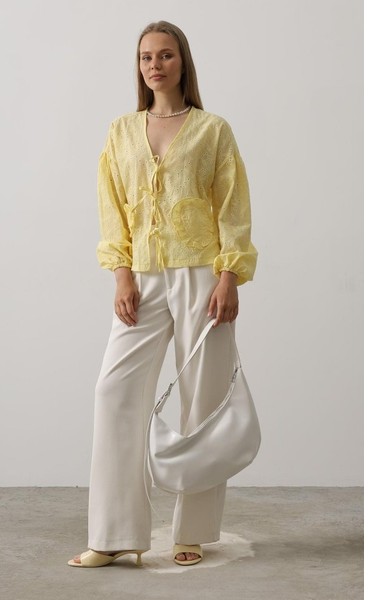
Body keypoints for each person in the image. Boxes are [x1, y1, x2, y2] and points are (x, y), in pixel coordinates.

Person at [68, 20, 258, 569]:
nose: (155, 65)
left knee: (203, 397)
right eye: (146, 57)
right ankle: (113, 535)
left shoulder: (212, 130)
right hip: (143, 277)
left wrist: (230, 276)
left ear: (183, 62)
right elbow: (111, 208)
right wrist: (121, 274)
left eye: (166, 55)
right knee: (114, 392)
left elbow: (233, 206)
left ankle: (192, 531)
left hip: (202, 274)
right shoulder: (121, 131)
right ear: (139, 66)